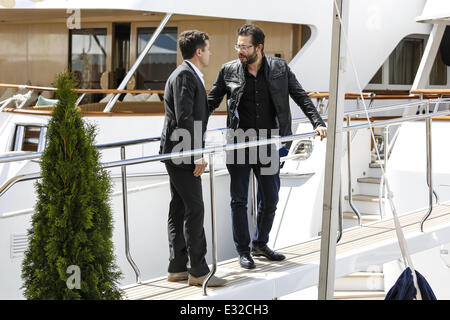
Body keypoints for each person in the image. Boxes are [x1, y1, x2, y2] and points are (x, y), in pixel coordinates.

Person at [208, 24, 327, 269]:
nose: (240, 50)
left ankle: (260, 244)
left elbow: (299, 95)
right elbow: (210, 101)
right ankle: (243, 251)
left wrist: (317, 121)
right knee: (238, 200)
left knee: (271, 198)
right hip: (239, 142)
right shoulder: (228, 70)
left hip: (268, 141)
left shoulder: (279, 69)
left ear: (259, 47)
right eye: (237, 45)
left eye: (245, 46)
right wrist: (191, 125)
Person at [159, 30, 226, 287]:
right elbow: (185, 117)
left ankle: (177, 268)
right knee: (195, 208)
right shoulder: (186, 75)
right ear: (199, 52)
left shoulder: (185, 74)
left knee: (179, 207)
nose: (209, 53)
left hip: (175, 151)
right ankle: (198, 271)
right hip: (182, 153)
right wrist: (196, 154)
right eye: (207, 49)